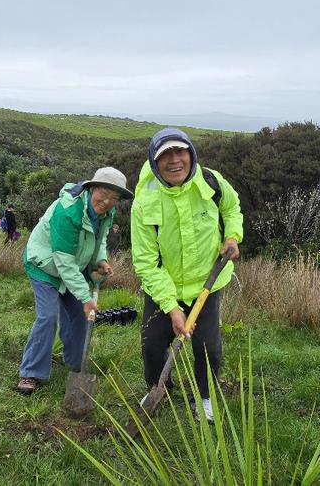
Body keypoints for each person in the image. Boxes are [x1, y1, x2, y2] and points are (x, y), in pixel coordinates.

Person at [132, 128, 243, 422]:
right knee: (153, 344)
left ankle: (205, 396)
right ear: (155, 163)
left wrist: (232, 237)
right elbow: (145, 262)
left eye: (180, 152)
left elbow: (232, 208)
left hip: (207, 284)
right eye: (165, 155)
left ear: (191, 153)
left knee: (207, 346)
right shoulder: (144, 201)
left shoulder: (212, 183)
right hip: (163, 288)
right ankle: (158, 388)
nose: (174, 160)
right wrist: (171, 308)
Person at [15, 167, 133, 395]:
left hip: (71, 268)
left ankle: (75, 366)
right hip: (44, 266)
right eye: (104, 194)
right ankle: (30, 372)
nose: (108, 202)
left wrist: (100, 260)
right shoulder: (67, 211)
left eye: (114, 198)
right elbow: (63, 260)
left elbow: (99, 240)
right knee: (48, 317)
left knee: (81, 317)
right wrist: (86, 297)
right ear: (92, 188)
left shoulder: (107, 213)